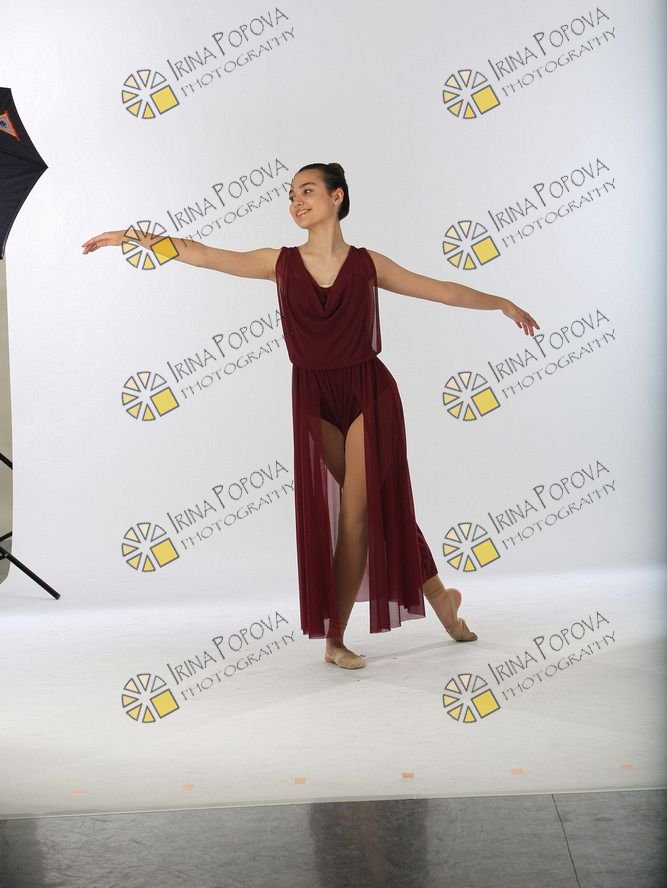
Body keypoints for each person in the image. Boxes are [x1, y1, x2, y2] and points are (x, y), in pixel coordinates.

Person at [82, 162, 539, 670]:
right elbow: (203, 253)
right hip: (315, 398)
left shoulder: (368, 264)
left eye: (307, 191)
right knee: (378, 505)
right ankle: (443, 601)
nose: (296, 202)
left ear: (337, 197)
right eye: (291, 195)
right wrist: (132, 237)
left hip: (369, 393)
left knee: (356, 515)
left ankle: (334, 638)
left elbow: (440, 289)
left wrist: (501, 303)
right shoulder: (278, 263)